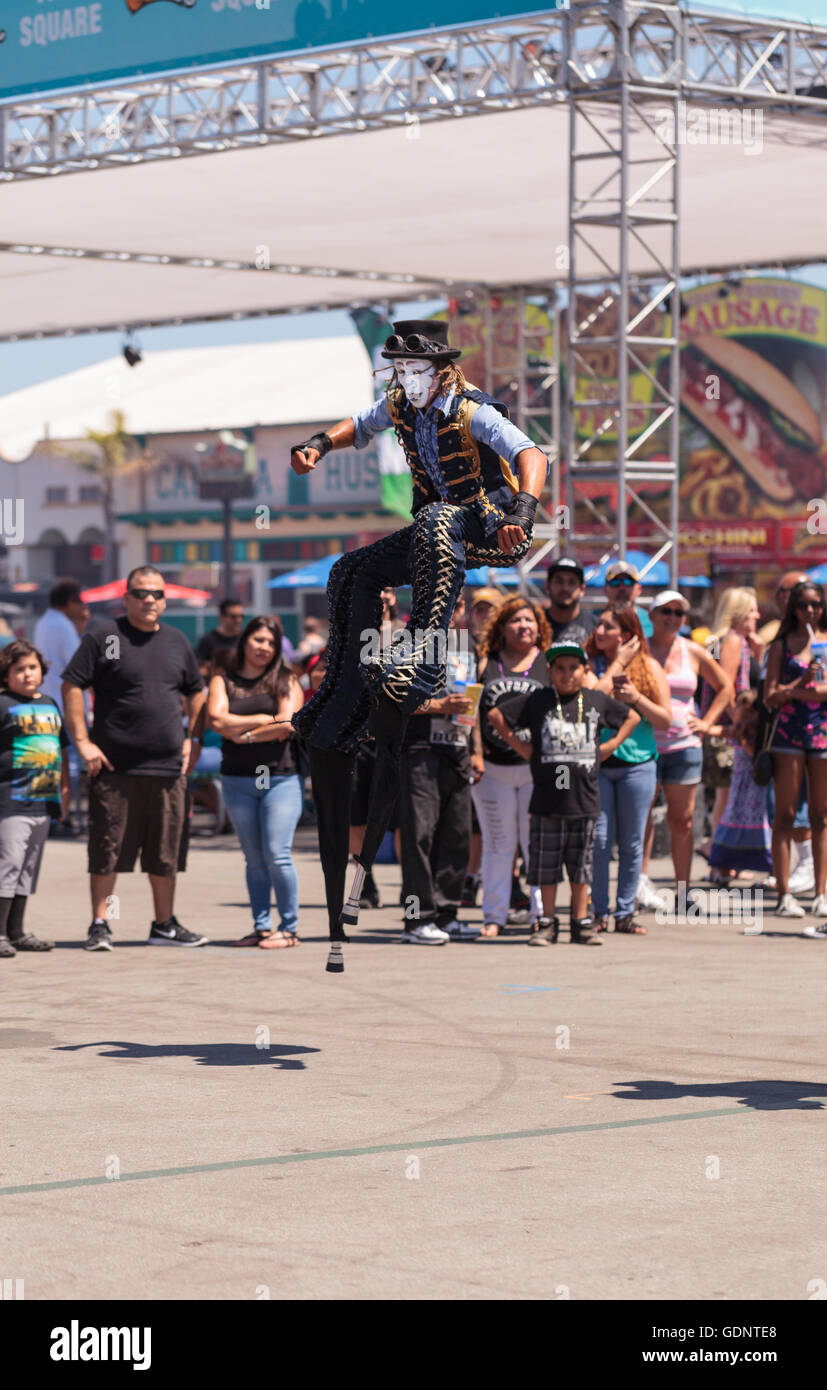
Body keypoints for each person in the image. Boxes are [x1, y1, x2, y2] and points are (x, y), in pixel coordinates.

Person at [289, 319, 548, 959]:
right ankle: (344, 692)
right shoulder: (401, 403)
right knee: (352, 569)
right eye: (396, 369)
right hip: (435, 536)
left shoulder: (473, 409)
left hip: (486, 524)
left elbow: (531, 453)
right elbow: (361, 424)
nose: (403, 378)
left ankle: (425, 663)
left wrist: (525, 508)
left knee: (435, 519)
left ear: (440, 368)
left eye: (412, 368)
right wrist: (319, 444)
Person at [61, 566, 207, 951]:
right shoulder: (105, 636)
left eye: (156, 594)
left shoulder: (177, 641)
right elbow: (72, 684)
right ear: (126, 598)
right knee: (108, 850)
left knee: (166, 852)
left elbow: (196, 691)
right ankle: (101, 924)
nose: (149, 600)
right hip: (114, 767)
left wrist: (194, 736)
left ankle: (164, 925)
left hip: (168, 768)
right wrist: (81, 741)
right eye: (141, 593)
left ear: (164, 600)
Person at [488, 642, 639, 946]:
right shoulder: (539, 699)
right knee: (545, 866)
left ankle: (581, 922)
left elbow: (632, 717)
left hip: (584, 800)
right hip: (546, 800)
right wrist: (521, 747)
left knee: (581, 867)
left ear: (585, 670)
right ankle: (546, 922)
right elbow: (496, 715)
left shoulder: (595, 699)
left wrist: (610, 747)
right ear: (551, 672)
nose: (567, 674)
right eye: (559, 668)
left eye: (574, 668)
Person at [207, 616, 305, 947]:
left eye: (270, 642)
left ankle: (289, 928)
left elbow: (287, 725)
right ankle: (262, 925)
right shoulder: (223, 679)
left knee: (277, 853)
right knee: (254, 858)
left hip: (279, 778)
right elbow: (217, 720)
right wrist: (261, 720)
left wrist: (244, 735)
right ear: (244, 641)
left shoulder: (285, 679)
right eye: (257, 639)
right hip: (237, 779)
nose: (263, 647)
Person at [640, 590, 734, 909]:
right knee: (642, 817)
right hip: (645, 743)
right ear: (651, 615)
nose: (672, 618)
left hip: (684, 744)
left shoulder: (693, 650)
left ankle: (683, 891)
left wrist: (707, 722)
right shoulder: (639, 650)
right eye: (665, 611)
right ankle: (638, 886)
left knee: (683, 819)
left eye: (679, 613)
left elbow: (726, 687)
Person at [584, 608, 672, 934]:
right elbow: (591, 698)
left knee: (632, 842)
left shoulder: (649, 667)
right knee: (600, 841)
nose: (599, 630)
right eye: (599, 623)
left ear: (627, 634)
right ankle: (598, 913)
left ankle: (624, 913)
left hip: (639, 765)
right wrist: (618, 664)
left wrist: (637, 698)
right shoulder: (589, 664)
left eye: (608, 625)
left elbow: (665, 719)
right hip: (600, 764)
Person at [398, 598, 481, 944]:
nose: (451, 607)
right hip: (420, 750)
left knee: (457, 835)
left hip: (457, 748)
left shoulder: (467, 646)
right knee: (419, 835)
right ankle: (417, 920)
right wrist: (439, 705)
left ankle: (446, 915)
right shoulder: (409, 643)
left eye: (458, 602)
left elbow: (474, 700)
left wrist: (476, 750)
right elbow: (394, 698)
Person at [473, 595, 551, 937]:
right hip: (492, 769)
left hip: (537, 770)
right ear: (502, 627)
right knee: (498, 843)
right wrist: (474, 752)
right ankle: (494, 916)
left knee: (536, 845)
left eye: (530, 620)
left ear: (539, 628)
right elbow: (470, 711)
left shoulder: (550, 663)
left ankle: (540, 914)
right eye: (516, 620)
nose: (524, 626)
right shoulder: (485, 663)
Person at [0, 641, 70, 957]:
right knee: (9, 864)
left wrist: (64, 791)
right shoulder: (3, 704)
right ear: (6, 675)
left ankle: (16, 932)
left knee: (29, 867)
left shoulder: (52, 704)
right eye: (19, 669)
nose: (27, 674)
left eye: (32, 667)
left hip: (44, 800)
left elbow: (62, 751)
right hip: (10, 800)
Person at [764, 579, 827, 928]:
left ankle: (820, 893)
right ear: (793, 609)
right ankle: (785, 893)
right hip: (787, 735)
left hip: (821, 734)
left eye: (816, 604)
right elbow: (770, 696)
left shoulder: (826, 643)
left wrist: (801, 693)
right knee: (786, 814)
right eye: (803, 605)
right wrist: (800, 686)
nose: (810, 611)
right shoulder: (781, 646)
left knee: (821, 815)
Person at [698, 587, 761, 856]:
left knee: (723, 796)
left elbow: (710, 682)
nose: (757, 615)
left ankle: (717, 849)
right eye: (751, 610)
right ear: (738, 614)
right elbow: (727, 685)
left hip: (716, 728)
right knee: (731, 796)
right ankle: (721, 854)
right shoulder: (734, 641)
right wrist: (740, 726)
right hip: (728, 730)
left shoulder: (715, 639)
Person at [34, 579, 91, 835]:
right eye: (80, 601)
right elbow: (79, 664)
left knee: (48, 762)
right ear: (70, 602)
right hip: (66, 704)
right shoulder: (63, 625)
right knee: (71, 766)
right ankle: (64, 818)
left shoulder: (44, 622)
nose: (83, 607)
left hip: (45, 702)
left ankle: (52, 817)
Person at [708, 691, 771, 879]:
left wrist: (743, 739)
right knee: (729, 823)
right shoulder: (735, 729)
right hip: (738, 790)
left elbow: (754, 755)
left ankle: (770, 869)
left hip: (755, 790)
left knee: (762, 825)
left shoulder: (754, 733)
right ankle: (723, 868)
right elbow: (718, 730)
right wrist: (701, 725)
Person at [545, 557, 598, 646]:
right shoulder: (534, 625)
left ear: (582, 589)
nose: (565, 588)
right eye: (559, 581)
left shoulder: (596, 628)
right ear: (547, 586)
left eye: (572, 582)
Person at [604, 560, 654, 638]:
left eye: (628, 582)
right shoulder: (593, 621)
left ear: (639, 589)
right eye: (615, 582)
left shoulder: (653, 621)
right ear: (605, 589)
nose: (622, 587)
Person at [196, 598, 245, 670]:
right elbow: (200, 666)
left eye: (241, 616)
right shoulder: (208, 640)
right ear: (221, 617)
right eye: (233, 617)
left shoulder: (245, 637)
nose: (239, 620)